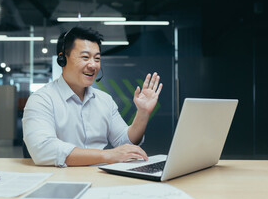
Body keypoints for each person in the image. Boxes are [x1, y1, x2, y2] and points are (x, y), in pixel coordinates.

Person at [22, 26, 163, 167]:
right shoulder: (41, 99)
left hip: (100, 177)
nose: (93, 65)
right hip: (61, 178)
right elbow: (43, 149)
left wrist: (143, 113)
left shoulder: (105, 100)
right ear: (62, 59)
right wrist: (107, 155)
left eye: (97, 58)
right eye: (85, 57)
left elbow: (124, 143)